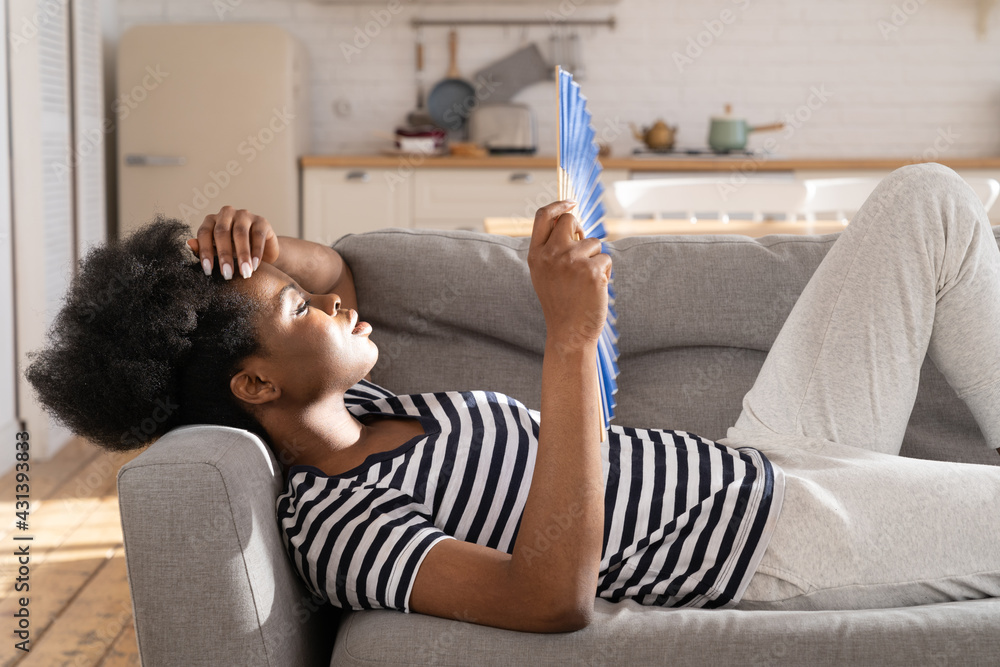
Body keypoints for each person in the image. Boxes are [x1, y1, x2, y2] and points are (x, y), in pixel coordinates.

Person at [25, 163, 1000, 633]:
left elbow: (344, 281)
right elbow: (545, 598)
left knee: (927, 202)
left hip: (765, 456)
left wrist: (266, 254)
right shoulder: (334, 521)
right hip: (774, 542)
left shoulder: (358, 411)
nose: (326, 299)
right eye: (294, 307)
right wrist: (570, 336)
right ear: (257, 384)